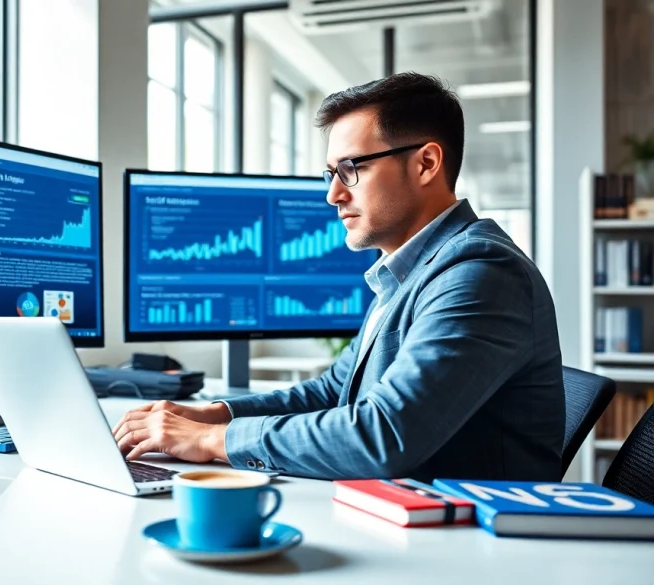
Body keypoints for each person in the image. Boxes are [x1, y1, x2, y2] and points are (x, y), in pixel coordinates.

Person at [113, 72, 565, 482]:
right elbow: (334, 391)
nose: (333, 194)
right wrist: (212, 415)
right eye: (331, 173)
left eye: (351, 168)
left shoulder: (480, 272)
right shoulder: (412, 272)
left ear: (426, 163)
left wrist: (212, 442)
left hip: (471, 550)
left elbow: (384, 435)